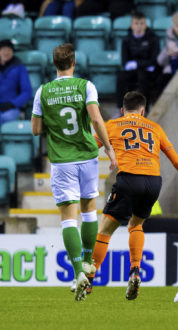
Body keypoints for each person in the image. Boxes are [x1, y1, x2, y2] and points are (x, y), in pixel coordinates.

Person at [89, 91, 178, 300]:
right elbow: (176, 160)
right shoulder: (155, 128)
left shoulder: (112, 125)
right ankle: (135, 270)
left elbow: (90, 148)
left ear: (122, 110)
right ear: (143, 110)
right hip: (153, 182)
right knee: (136, 225)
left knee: (105, 230)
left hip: (128, 179)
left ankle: (88, 280)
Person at [31, 43, 117, 302]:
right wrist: (110, 151)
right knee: (89, 208)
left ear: (53, 64)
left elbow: (35, 130)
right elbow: (96, 119)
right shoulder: (85, 86)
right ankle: (89, 261)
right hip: (87, 157)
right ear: (74, 63)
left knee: (69, 218)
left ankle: (78, 271)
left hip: (62, 161)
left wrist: (52, 119)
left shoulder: (43, 92)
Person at [117, 11, 159, 115]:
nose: (139, 26)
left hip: (146, 70)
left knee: (143, 78)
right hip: (132, 69)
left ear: (145, 25)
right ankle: (121, 109)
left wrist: (137, 64)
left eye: (142, 23)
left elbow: (154, 60)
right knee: (121, 77)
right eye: (136, 23)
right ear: (132, 25)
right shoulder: (126, 40)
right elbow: (124, 61)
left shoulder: (153, 39)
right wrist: (135, 65)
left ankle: (145, 109)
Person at [0, 39, 31, 125]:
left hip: (11, 108)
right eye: (3, 50)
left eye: (9, 50)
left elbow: (27, 92)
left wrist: (12, 104)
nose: (6, 52)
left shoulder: (19, 67)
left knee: (8, 118)